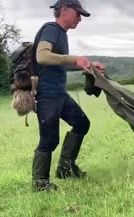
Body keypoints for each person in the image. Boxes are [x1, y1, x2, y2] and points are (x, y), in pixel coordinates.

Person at [31, 0, 105, 192]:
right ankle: (40, 183)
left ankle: (66, 168)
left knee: (82, 123)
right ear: (64, 10)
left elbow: (59, 62)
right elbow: (42, 56)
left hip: (59, 94)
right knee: (49, 139)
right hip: (47, 95)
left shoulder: (61, 34)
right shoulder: (51, 29)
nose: (80, 18)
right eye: (78, 13)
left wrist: (88, 65)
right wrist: (74, 59)